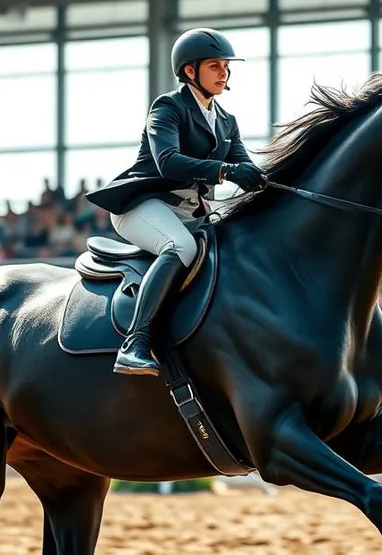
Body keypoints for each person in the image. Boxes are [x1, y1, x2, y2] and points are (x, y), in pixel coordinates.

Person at [85, 28, 268, 376]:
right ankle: (134, 344)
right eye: (214, 66)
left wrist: (271, 180)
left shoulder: (227, 121)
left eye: (226, 66)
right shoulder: (168, 107)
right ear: (189, 71)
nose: (224, 73)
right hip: (145, 205)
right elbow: (168, 161)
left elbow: (245, 167)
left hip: (190, 210)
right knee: (180, 246)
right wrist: (228, 170)